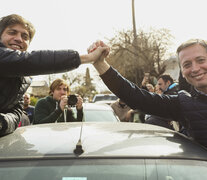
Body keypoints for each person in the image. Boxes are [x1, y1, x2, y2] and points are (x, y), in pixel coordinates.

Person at [0, 14, 107, 136]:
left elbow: (16, 113)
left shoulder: (23, 80)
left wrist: (2, 122)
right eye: (12, 32)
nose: (19, 39)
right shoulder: (42, 103)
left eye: (24, 36)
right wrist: (87, 58)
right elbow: (28, 61)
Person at [87, 39, 207, 148]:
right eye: (187, 65)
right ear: (183, 73)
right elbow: (136, 97)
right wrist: (99, 63)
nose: (195, 69)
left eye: (201, 60)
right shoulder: (184, 103)